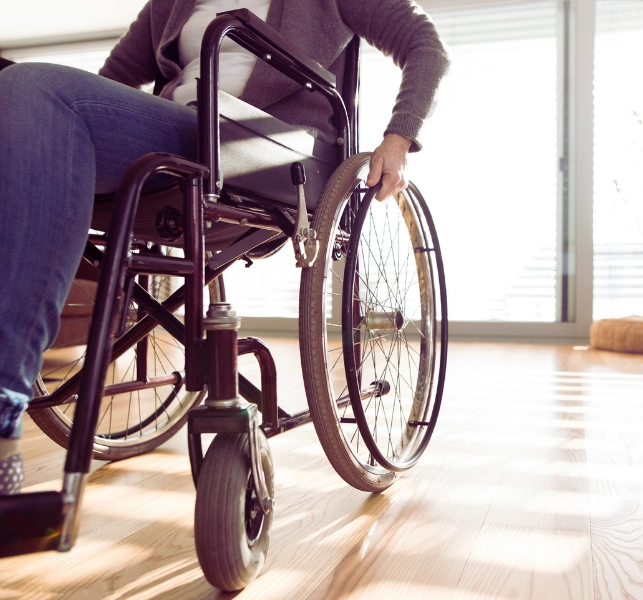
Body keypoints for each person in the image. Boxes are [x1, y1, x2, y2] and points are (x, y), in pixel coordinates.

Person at [0, 0, 448, 494]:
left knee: (32, 88)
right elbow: (113, 80)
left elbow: (425, 46)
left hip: (267, 144)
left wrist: (398, 139)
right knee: (20, 95)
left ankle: (2, 405)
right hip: (178, 131)